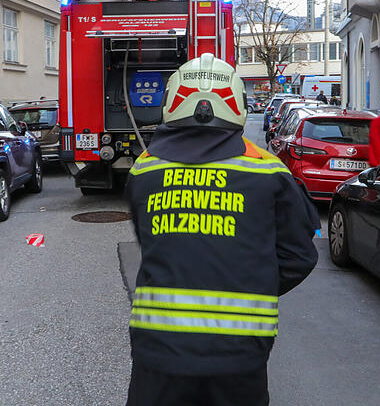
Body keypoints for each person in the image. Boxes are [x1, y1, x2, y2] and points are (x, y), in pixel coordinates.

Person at [125, 54, 319, 406]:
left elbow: (151, 243)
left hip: (158, 355)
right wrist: (252, 281)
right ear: (237, 107)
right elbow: (300, 256)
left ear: (171, 103)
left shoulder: (143, 172)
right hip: (240, 357)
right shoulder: (270, 173)